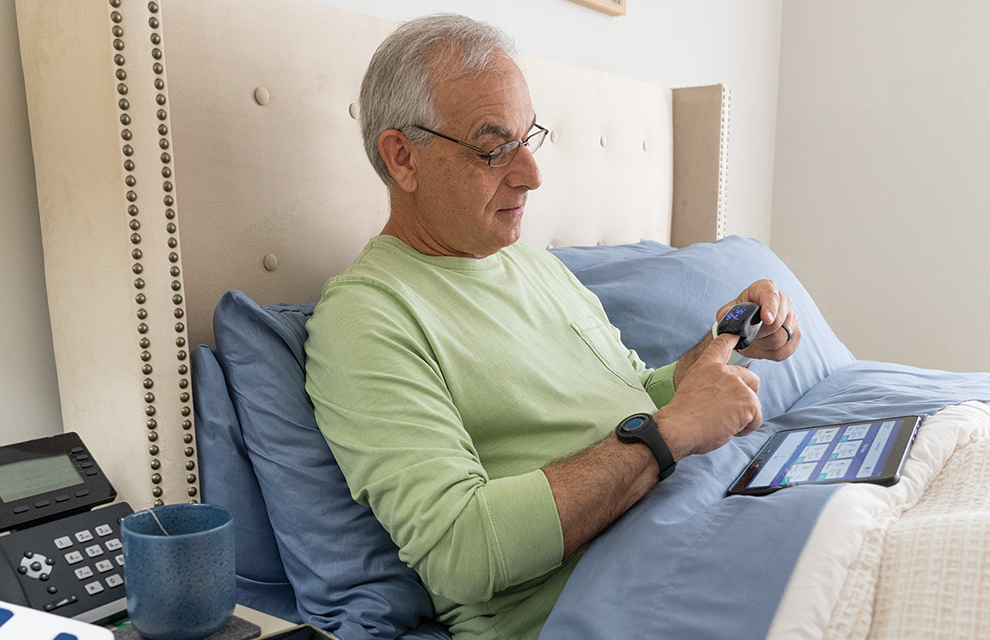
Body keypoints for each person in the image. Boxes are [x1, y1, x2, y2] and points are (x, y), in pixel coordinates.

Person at [302, 14, 801, 640]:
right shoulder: (367, 319)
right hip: (622, 593)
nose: (531, 175)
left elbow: (635, 397)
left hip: (711, 519)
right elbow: (461, 550)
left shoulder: (530, 264)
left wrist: (724, 343)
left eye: (527, 138)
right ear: (402, 157)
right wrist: (669, 433)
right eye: (493, 148)